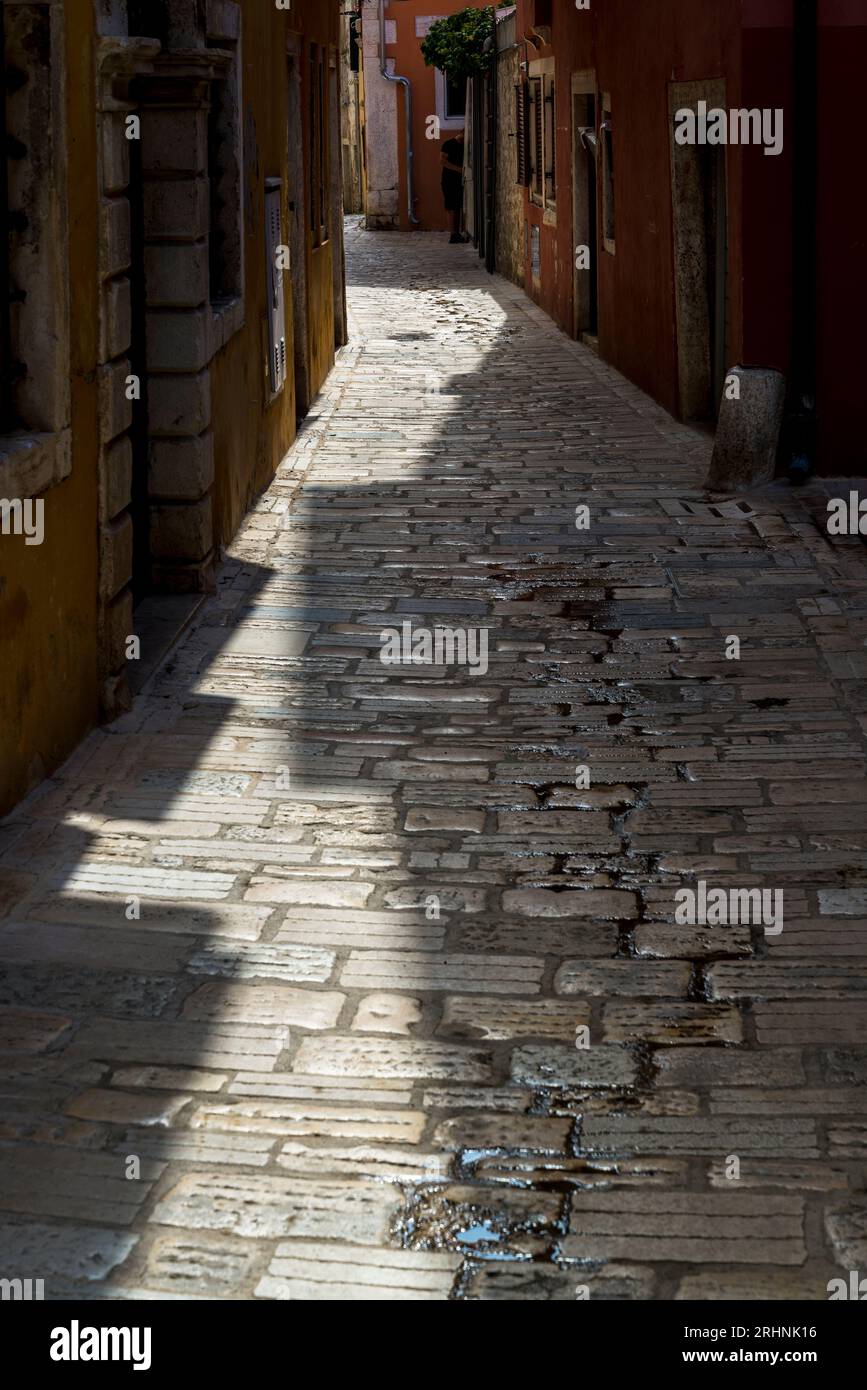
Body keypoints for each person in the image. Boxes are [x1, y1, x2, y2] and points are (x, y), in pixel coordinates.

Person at [441, 129, 468, 243]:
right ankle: (453, 234)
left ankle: (456, 233)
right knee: (451, 207)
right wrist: (459, 170)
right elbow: (442, 161)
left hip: (459, 181)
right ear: (462, 134)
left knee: (457, 207)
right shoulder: (448, 144)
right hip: (449, 180)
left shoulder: (464, 146)